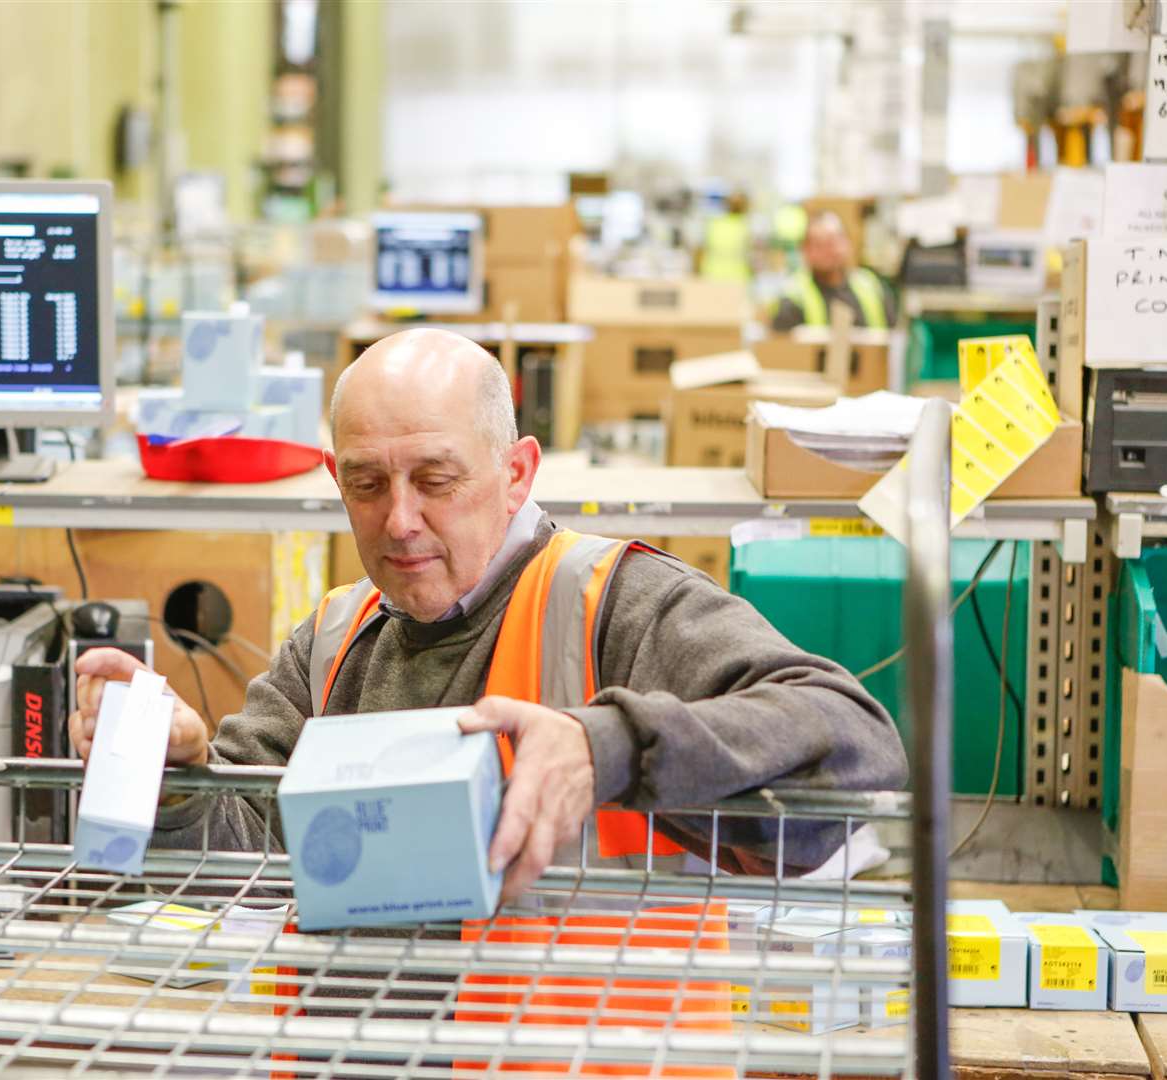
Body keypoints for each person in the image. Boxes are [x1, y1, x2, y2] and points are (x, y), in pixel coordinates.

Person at [71, 328, 907, 901]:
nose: (398, 520)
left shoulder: (615, 605)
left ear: (516, 473)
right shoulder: (329, 643)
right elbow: (241, 859)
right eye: (366, 485)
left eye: (436, 480)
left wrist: (606, 745)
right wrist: (175, 772)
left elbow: (857, 748)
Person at [770, 211, 896, 332]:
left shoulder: (871, 287)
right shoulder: (794, 297)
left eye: (834, 240)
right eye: (820, 244)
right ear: (805, 250)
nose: (830, 250)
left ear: (848, 242)